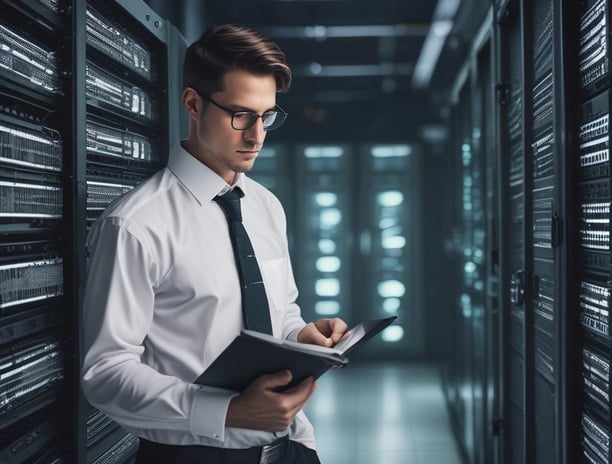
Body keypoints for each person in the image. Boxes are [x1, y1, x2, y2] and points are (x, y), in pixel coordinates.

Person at [81, 23, 348, 464]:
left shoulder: (265, 206)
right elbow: (105, 373)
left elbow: (280, 315)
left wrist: (304, 336)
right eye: (240, 115)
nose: (257, 135)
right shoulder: (135, 224)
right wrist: (227, 411)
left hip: (290, 449)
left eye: (267, 117)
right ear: (192, 103)